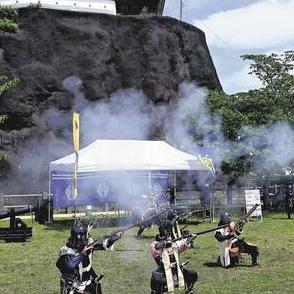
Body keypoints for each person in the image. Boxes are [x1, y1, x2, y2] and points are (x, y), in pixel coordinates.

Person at [56, 223, 121, 294]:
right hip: (73, 286)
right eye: (84, 237)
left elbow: (102, 244)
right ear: (78, 237)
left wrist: (113, 238)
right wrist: (82, 254)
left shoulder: (87, 244)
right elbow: (69, 265)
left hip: (89, 280)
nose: (86, 239)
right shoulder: (66, 250)